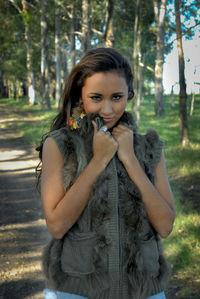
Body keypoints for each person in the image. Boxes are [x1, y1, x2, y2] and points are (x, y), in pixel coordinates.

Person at [36, 47, 175, 299]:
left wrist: (131, 161)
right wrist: (98, 161)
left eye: (117, 97)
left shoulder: (150, 147)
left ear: (129, 95)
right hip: (76, 291)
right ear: (81, 95)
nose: (108, 109)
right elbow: (56, 225)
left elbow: (165, 225)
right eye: (96, 97)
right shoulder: (59, 144)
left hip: (144, 291)